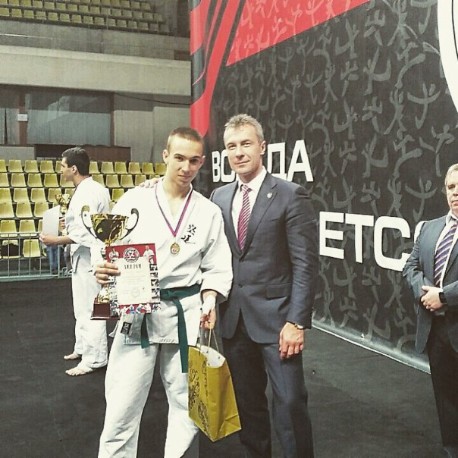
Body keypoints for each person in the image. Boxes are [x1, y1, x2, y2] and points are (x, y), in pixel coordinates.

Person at [93, 127, 232, 458]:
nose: (186, 167)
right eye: (179, 158)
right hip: (138, 310)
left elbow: (217, 265)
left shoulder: (208, 211)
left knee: (187, 404)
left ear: (202, 163)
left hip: (187, 311)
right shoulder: (134, 200)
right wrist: (103, 268)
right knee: (122, 404)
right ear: (166, 155)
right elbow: (107, 248)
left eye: (194, 161)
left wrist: (210, 298)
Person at [403, 163, 458, 457]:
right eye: (451, 187)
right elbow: (410, 266)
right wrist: (425, 291)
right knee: (446, 399)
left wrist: (444, 296)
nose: (455, 193)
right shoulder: (429, 227)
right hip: (436, 331)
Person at [40, 147, 110, 376]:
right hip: (85, 256)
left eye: (62, 166)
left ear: (74, 168)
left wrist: (56, 240)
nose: (60, 170)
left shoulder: (87, 193)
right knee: (82, 307)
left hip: (90, 257)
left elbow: (86, 232)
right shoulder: (92, 189)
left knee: (91, 308)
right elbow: (81, 225)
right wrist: (66, 226)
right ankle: (82, 348)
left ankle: (95, 358)